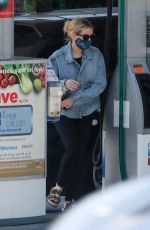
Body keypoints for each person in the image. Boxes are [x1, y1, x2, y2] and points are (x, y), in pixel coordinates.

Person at [47, 18, 107, 210]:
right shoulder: (56, 58)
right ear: (73, 35)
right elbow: (47, 86)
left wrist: (75, 98)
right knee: (72, 149)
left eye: (91, 36)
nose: (89, 40)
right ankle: (57, 188)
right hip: (62, 111)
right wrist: (64, 84)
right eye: (85, 36)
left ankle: (70, 200)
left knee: (80, 155)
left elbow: (100, 84)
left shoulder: (95, 55)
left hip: (86, 109)